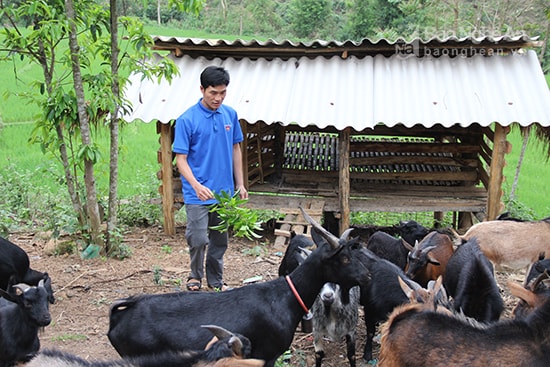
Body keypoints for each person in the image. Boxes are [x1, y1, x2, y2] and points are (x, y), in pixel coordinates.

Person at [173, 65, 248, 292]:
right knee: (197, 238)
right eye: (213, 93)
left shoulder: (230, 115)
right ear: (202, 89)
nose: (218, 98)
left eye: (222, 92)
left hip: (223, 192)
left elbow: (236, 149)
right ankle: (195, 275)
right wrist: (196, 186)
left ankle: (215, 281)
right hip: (197, 192)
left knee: (219, 240)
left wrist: (241, 183)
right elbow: (180, 159)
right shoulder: (187, 120)